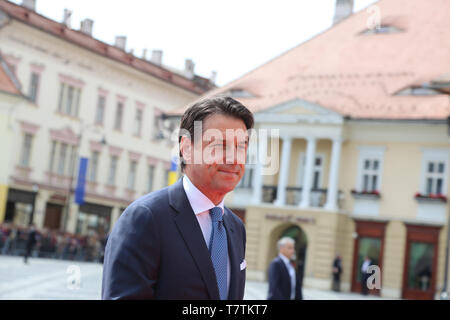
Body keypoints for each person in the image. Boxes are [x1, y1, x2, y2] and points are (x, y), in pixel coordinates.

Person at [102, 96, 254, 300]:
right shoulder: (147, 218)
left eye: (240, 147)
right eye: (219, 145)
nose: (232, 157)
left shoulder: (236, 227)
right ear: (186, 148)